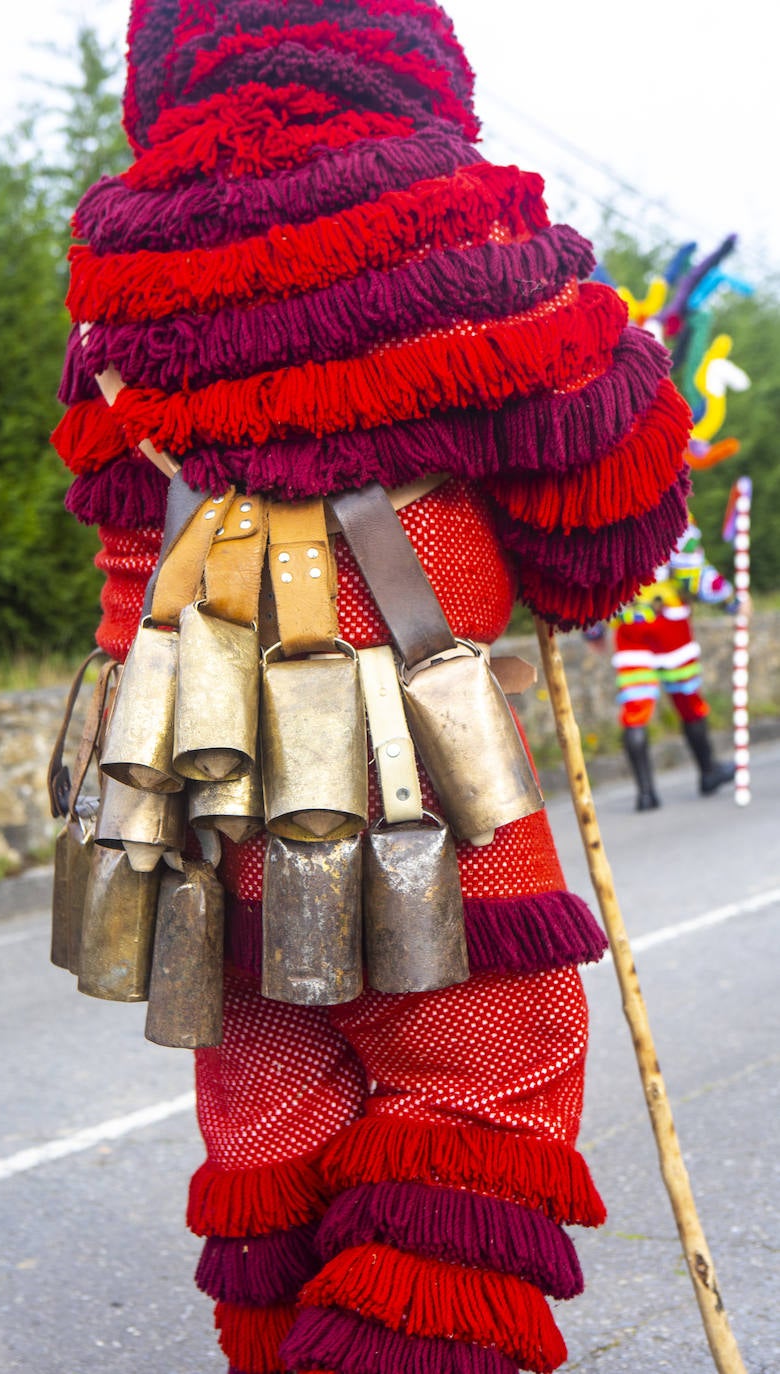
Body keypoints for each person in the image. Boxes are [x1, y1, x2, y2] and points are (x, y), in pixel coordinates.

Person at [51, 2, 693, 1370]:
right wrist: (611, 349)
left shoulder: (110, 263)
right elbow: (601, 539)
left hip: (189, 788)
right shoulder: (463, 225)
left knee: (271, 1124)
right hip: (419, 802)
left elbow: (117, 515)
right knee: (485, 1095)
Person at [609, 519, 737, 811]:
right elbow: (693, 576)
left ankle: (646, 793)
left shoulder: (612, 515)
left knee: (635, 708)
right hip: (669, 622)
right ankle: (708, 772)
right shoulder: (673, 515)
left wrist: (592, 627)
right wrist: (730, 599)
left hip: (630, 624)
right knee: (688, 699)